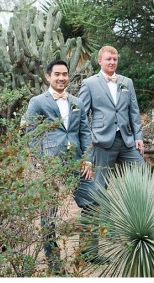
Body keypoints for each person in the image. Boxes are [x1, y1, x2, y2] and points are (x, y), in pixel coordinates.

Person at [24, 59, 100, 273]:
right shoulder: (37, 102)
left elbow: (85, 132)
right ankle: (53, 260)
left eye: (65, 74)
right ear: (48, 76)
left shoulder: (77, 102)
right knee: (49, 213)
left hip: (77, 162)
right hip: (50, 165)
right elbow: (31, 133)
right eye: (57, 74)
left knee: (93, 202)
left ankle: (88, 252)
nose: (61, 78)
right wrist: (39, 161)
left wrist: (87, 159)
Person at [78, 45, 145, 190]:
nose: (112, 62)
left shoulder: (126, 82)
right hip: (102, 140)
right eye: (108, 59)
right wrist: (89, 140)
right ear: (100, 60)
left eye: (115, 59)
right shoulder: (89, 84)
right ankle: (96, 212)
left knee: (141, 172)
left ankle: (135, 210)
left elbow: (134, 112)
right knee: (100, 183)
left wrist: (138, 136)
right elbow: (81, 115)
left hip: (127, 139)